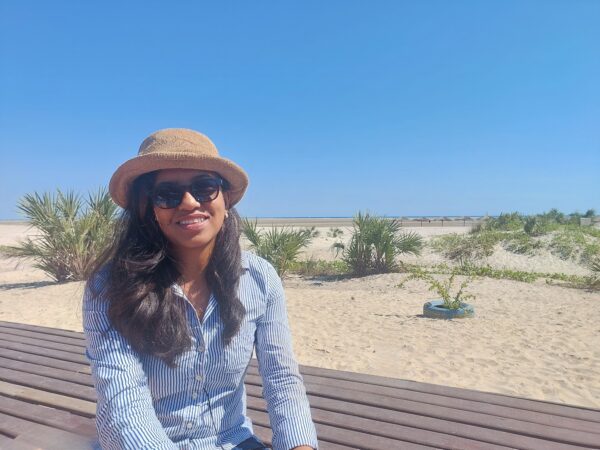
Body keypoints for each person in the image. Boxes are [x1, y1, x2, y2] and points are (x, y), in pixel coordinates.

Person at [83, 128, 318, 450]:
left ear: (226, 198)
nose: (190, 202)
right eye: (167, 194)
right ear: (147, 208)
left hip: (231, 440)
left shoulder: (260, 279)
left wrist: (299, 445)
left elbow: (282, 379)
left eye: (204, 187)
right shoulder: (110, 286)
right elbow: (123, 401)